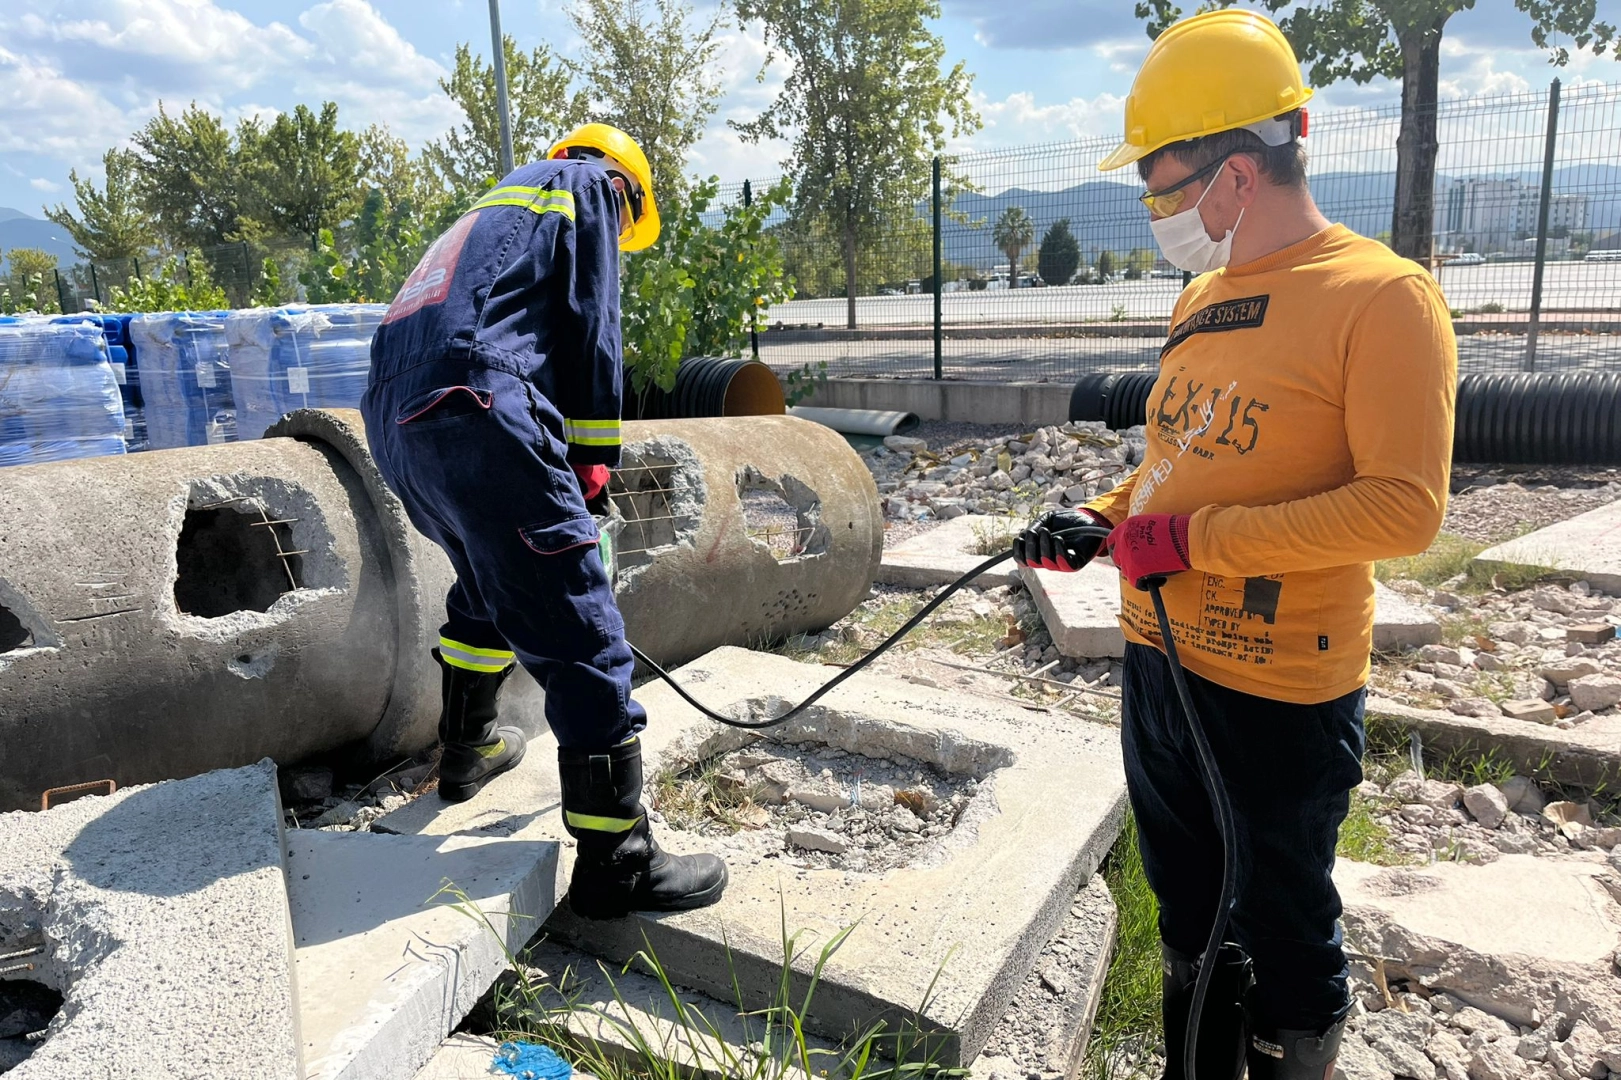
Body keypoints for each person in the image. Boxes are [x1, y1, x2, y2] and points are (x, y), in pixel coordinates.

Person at [1014, 11, 1456, 1080]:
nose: (1156, 207)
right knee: (1186, 910)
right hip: (1160, 662)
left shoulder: (1382, 299)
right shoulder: (1203, 298)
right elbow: (1182, 453)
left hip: (1276, 690)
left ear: (1237, 169)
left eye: (1164, 185)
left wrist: (1193, 540)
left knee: (1283, 923)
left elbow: (1404, 507)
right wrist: (1109, 518)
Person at [360, 124, 728, 921]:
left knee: (489, 580)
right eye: (632, 227)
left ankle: (466, 752)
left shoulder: (484, 217)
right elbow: (590, 326)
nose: (623, 237)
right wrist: (592, 466)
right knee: (579, 624)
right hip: (476, 405)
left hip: (397, 420)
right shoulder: (589, 185)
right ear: (628, 187)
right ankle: (617, 862)